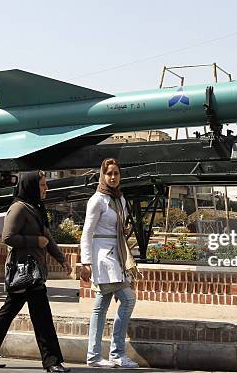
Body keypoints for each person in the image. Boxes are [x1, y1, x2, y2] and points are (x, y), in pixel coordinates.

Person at [0, 170, 72, 372]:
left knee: (10, 313)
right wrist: (34, 241)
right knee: (42, 317)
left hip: (33, 272)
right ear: (31, 186)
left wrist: (62, 260)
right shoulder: (18, 208)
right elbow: (8, 237)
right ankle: (52, 362)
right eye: (43, 185)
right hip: (23, 271)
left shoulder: (36, 208)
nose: (46, 188)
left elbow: (48, 238)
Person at [80, 158, 140, 369]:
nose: (113, 177)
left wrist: (121, 231)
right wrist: (85, 262)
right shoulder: (97, 200)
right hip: (103, 257)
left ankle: (95, 355)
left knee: (101, 306)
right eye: (109, 173)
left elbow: (117, 226)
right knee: (128, 299)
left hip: (116, 255)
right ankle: (115, 353)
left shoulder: (119, 199)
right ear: (102, 175)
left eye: (116, 173)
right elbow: (86, 233)